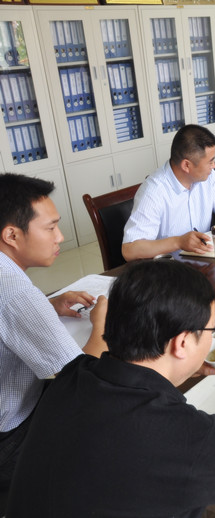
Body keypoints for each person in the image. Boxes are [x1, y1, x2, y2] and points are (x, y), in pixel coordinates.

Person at [7, 260, 215, 517]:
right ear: (182, 343)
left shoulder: (73, 374)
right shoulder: (194, 437)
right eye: (213, 329)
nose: (214, 337)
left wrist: (187, 367)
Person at [0, 173, 107, 511]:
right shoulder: (14, 290)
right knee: (106, 407)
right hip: (10, 438)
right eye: (50, 228)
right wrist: (102, 325)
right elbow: (82, 376)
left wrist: (48, 305)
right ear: (11, 235)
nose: (60, 237)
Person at [122, 124, 215, 261]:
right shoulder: (153, 191)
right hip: (170, 268)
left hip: (203, 261)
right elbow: (129, 250)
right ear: (186, 165)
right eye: (210, 162)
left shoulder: (208, 177)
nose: (214, 166)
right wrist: (178, 242)